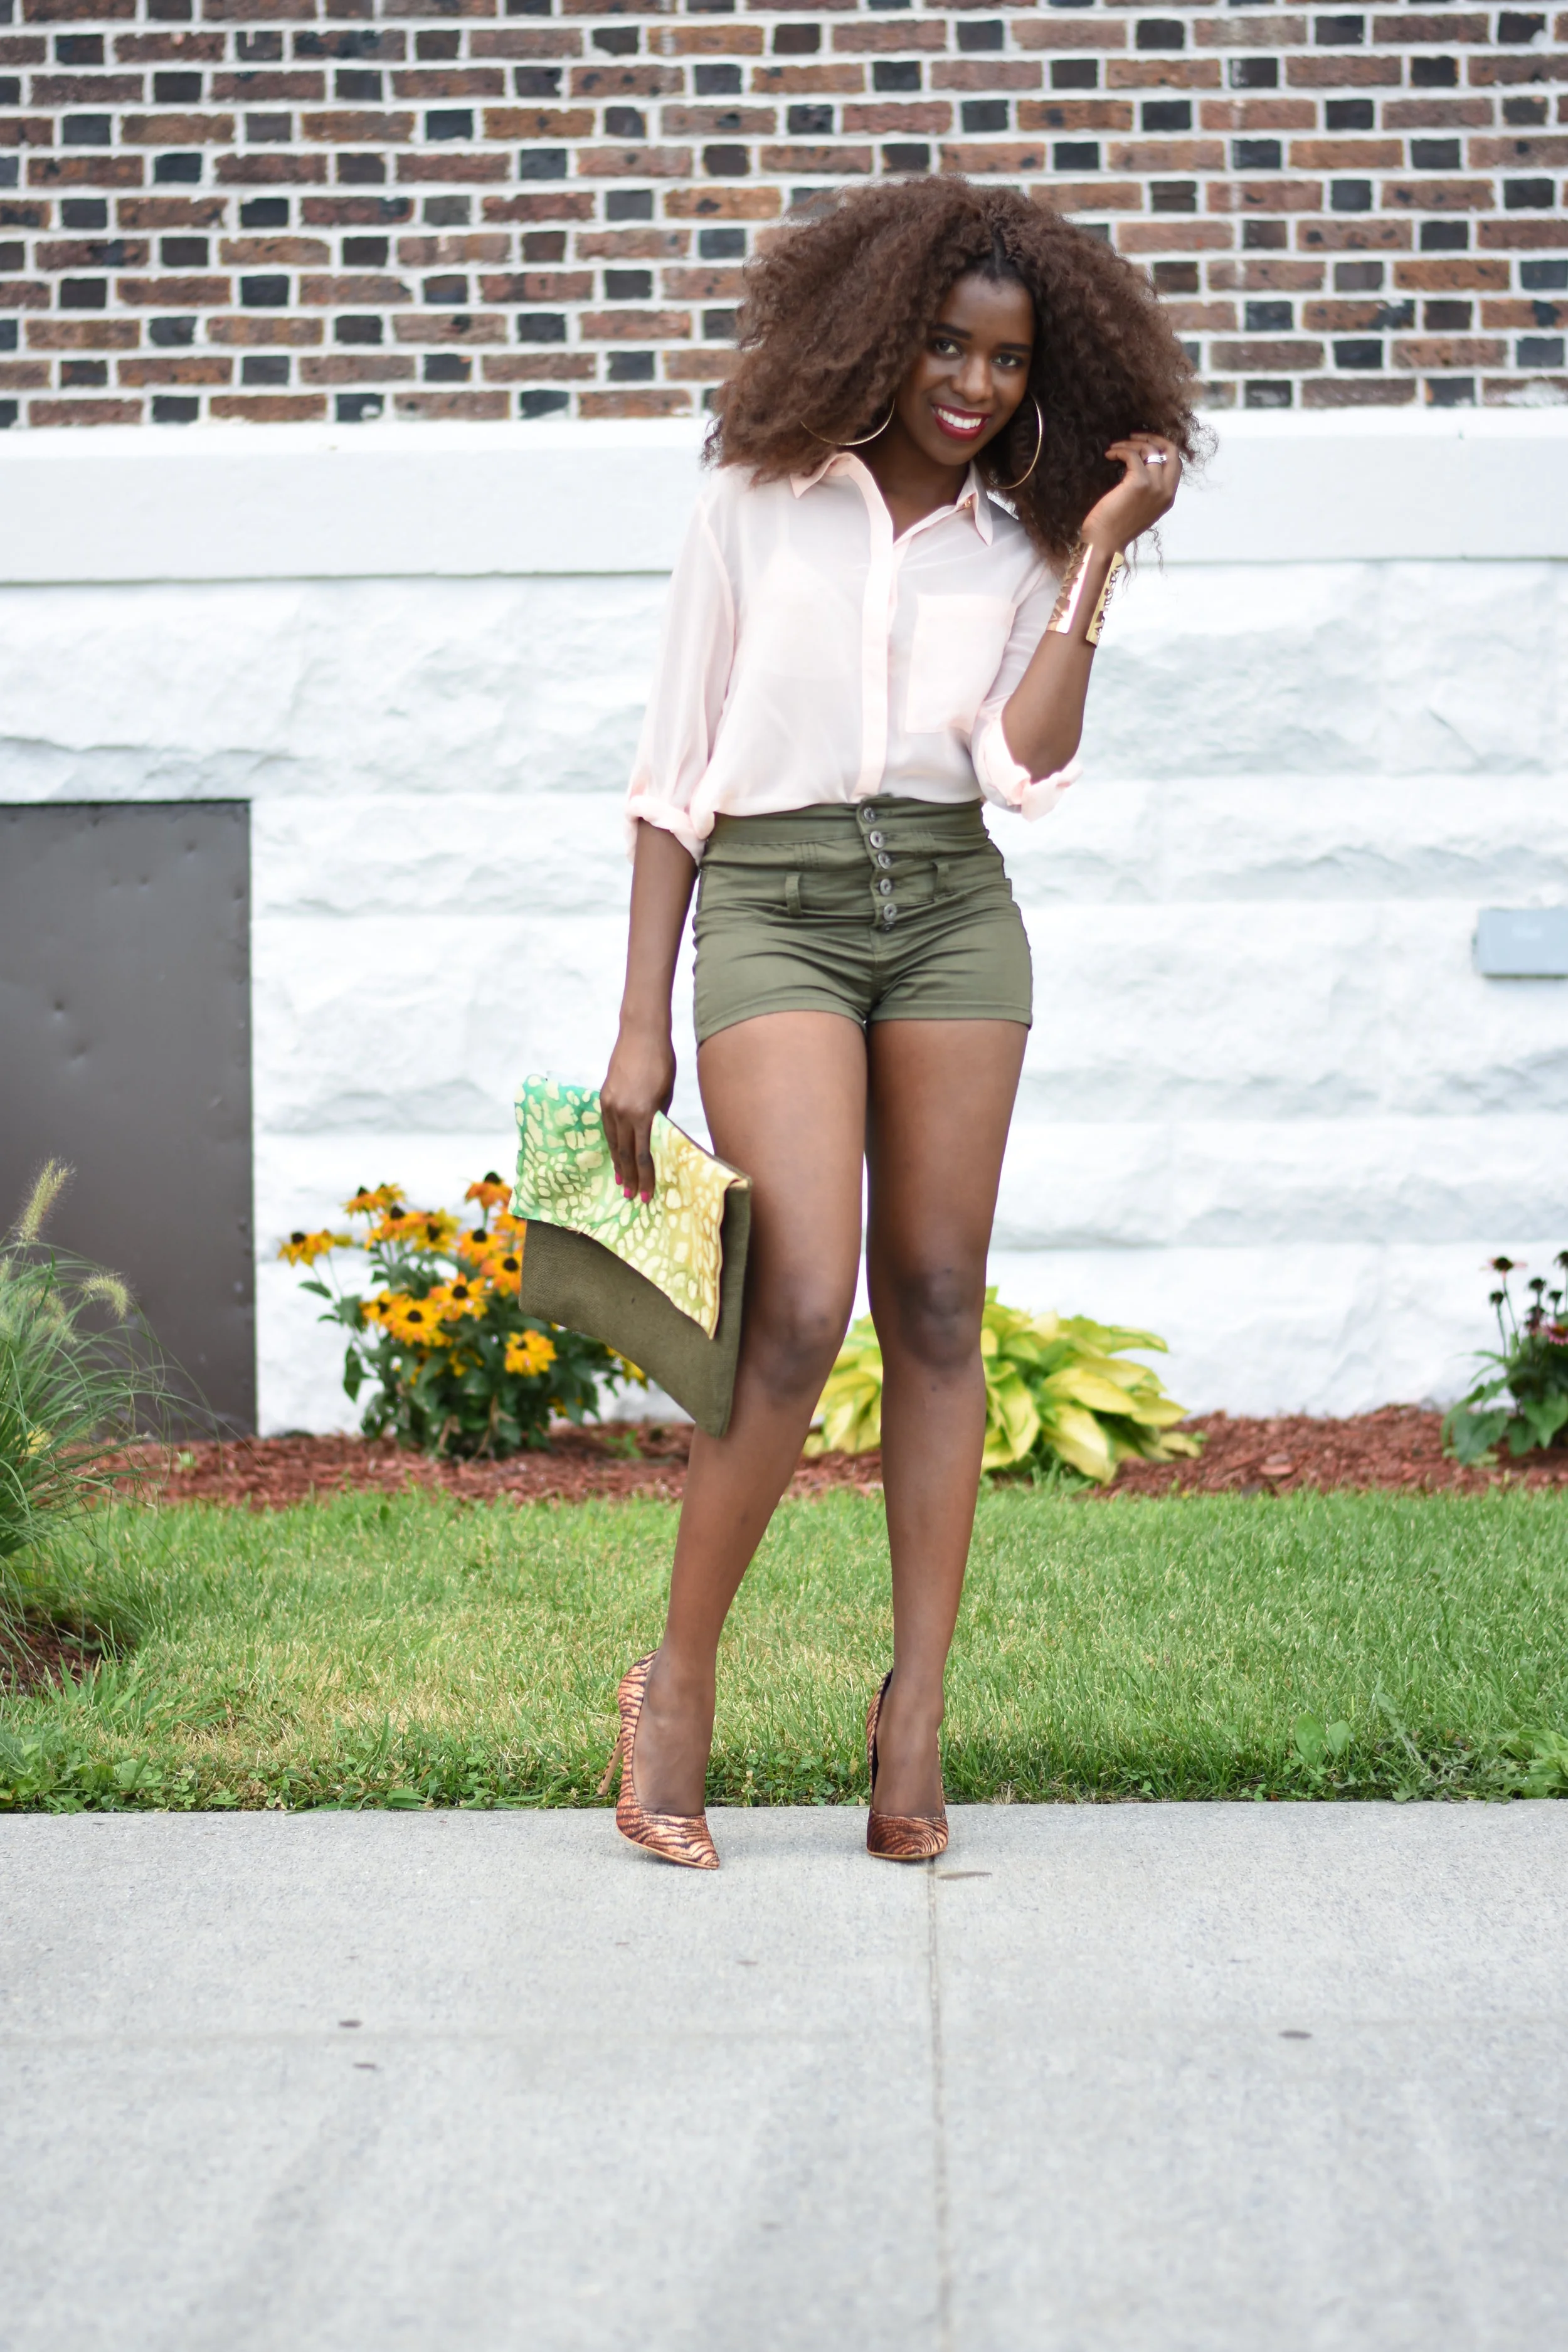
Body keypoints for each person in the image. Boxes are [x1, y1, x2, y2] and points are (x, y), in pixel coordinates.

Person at [596, 176, 1197, 1868]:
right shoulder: (753, 500)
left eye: (1005, 359)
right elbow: (669, 773)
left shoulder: (1015, 544)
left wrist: (1089, 555)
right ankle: (675, 1689)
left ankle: (913, 1709)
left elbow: (1026, 767)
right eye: (944, 342)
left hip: (946, 908)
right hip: (775, 902)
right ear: (879, 330)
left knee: (935, 1297)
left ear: (1042, 374)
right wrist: (640, 1019)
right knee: (790, 1301)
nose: (973, 383)